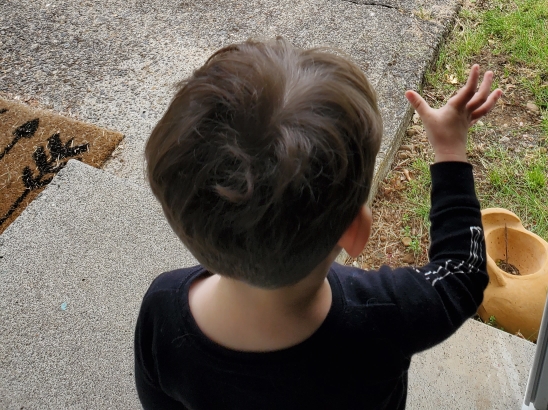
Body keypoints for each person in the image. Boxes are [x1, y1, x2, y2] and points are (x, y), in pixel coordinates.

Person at [135, 38, 502, 410]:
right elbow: (461, 273)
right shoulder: (386, 316)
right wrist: (450, 151)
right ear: (356, 232)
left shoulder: (162, 312)